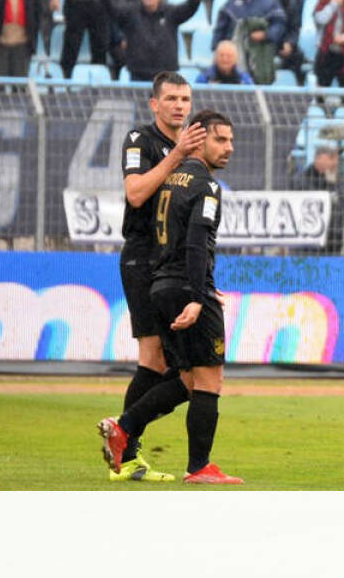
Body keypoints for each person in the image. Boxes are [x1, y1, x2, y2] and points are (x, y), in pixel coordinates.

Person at [99, 109, 244, 486]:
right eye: (220, 139)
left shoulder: (168, 182)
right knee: (210, 379)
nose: (229, 147)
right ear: (198, 140)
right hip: (186, 288)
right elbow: (196, 243)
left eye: (231, 140)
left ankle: (124, 427)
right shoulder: (206, 186)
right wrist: (197, 294)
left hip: (161, 285)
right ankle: (199, 467)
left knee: (186, 379)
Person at [95, 72, 209, 483]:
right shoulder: (140, 140)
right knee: (157, 360)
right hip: (142, 258)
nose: (180, 106)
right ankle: (126, 446)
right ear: (154, 104)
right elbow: (136, 193)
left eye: (185, 99)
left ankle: (124, 438)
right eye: (172, 98)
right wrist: (177, 155)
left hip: (171, 264)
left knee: (169, 364)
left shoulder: (190, 150)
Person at [99, 0, 202, 82]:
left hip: (166, 75)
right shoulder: (130, 12)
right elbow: (113, 10)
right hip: (138, 74)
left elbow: (188, 9)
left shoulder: (171, 12)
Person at [46, 0, 122, 80]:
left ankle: (98, 83)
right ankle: (65, 82)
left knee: (101, 47)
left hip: (102, 1)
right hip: (75, 1)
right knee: (71, 46)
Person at [213, 0, 287, 83]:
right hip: (233, 58)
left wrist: (266, 35)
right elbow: (221, 26)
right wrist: (216, 47)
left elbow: (279, 25)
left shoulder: (270, 2)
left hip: (259, 58)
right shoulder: (233, 0)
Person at [293, 147, 344, 255]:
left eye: (336, 158)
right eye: (331, 158)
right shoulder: (301, 182)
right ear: (318, 159)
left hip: (334, 248)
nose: (335, 163)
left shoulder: (341, 186)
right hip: (306, 247)